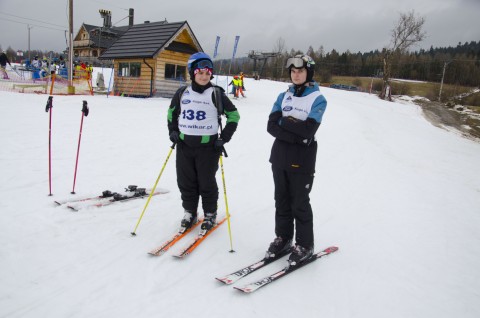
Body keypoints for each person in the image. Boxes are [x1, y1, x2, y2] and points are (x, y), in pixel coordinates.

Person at [265, 54, 327, 266]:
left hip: (303, 159)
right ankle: (283, 238)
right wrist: (295, 133)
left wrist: (285, 121)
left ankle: (305, 244)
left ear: (308, 72)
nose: (296, 74)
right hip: (280, 156)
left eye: (300, 71)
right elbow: (271, 126)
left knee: (299, 203)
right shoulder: (284, 96)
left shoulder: (317, 99)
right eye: (293, 71)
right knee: (281, 200)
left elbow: (309, 130)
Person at [167, 52, 240, 232]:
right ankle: (190, 212)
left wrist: (224, 138)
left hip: (208, 147)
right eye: (200, 72)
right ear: (192, 73)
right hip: (184, 145)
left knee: (206, 182)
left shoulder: (216, 93)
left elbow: (234, 115)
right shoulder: (182, 93)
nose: (204, 76)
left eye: (207, 73)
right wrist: (173, 132)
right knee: (186, 181)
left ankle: (210, 214)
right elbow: (172, 114)